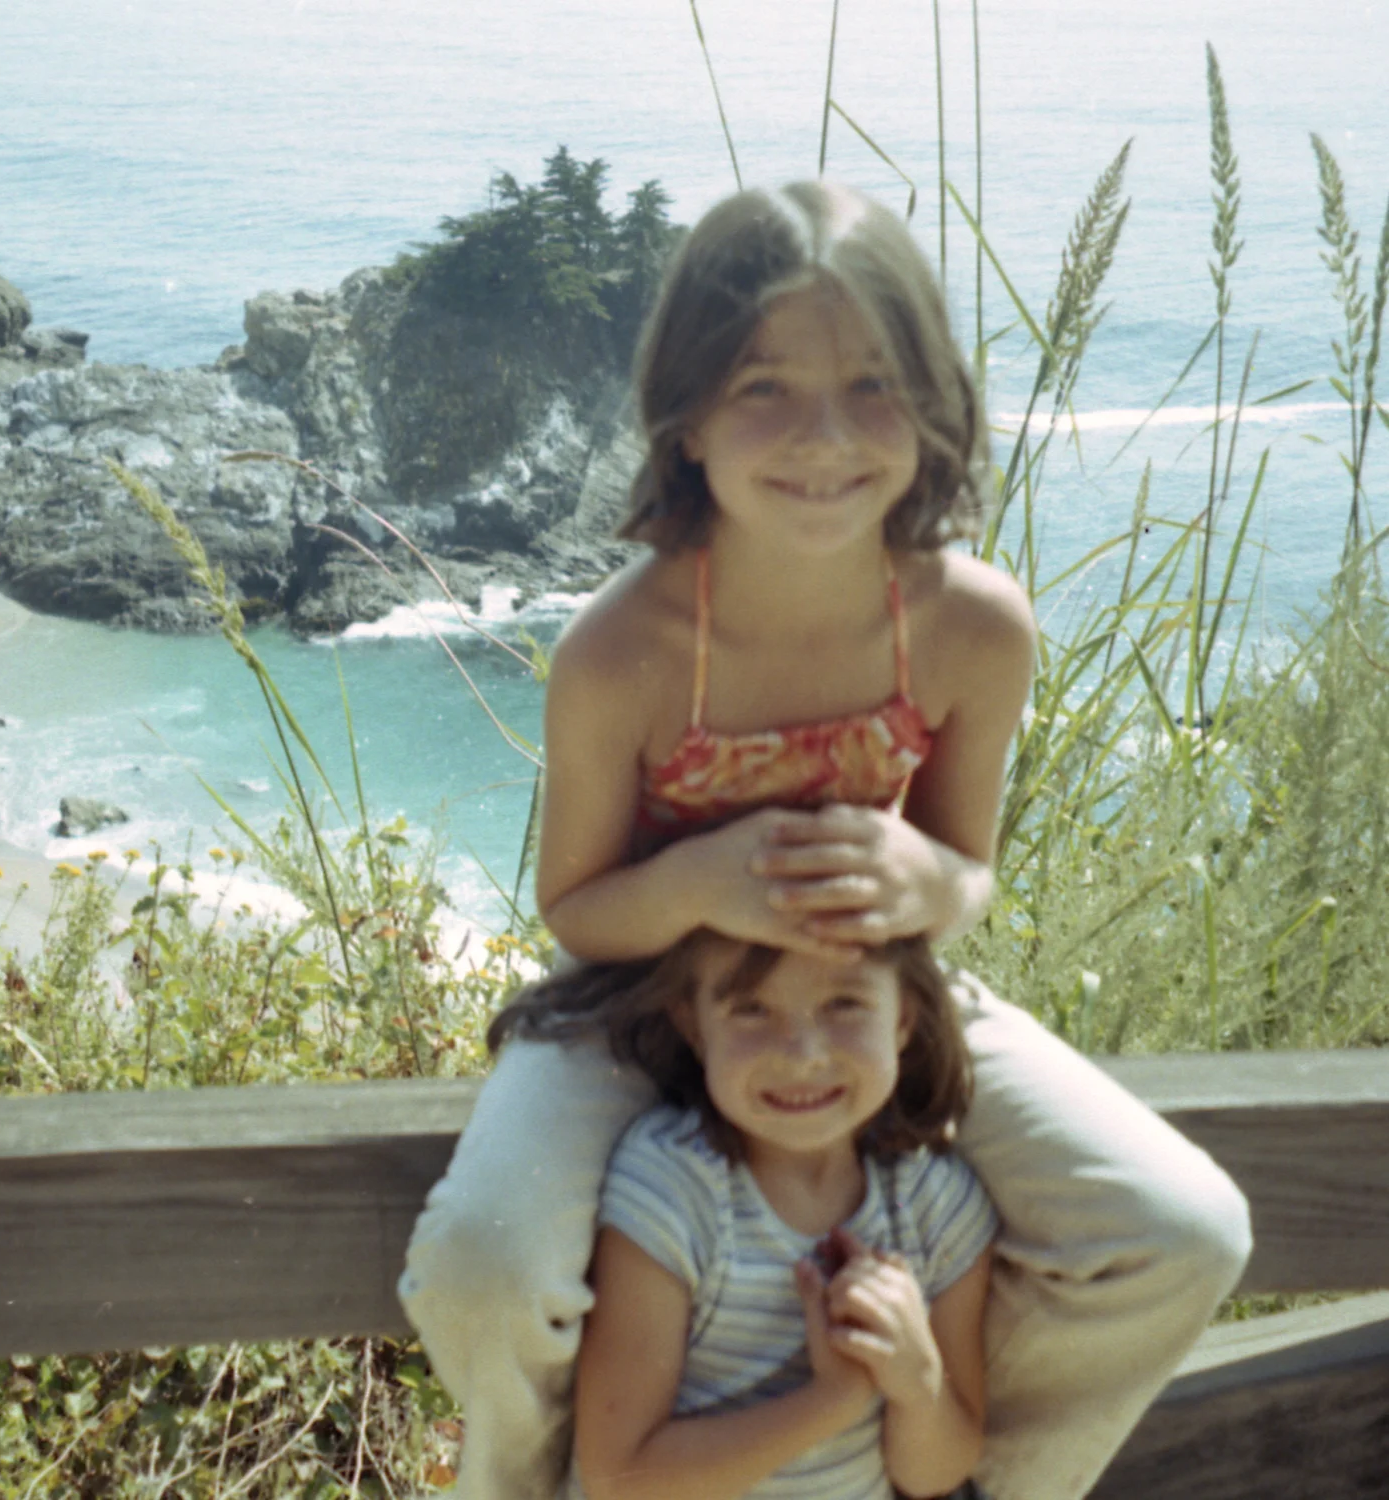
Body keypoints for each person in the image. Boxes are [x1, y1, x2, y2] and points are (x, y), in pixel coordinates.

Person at [398, 182, 1252, 1500]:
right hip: (636, 1005)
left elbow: (963, 873)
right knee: (487, 1262)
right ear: (684, 419)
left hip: (864, 999)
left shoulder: (974, 627)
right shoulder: (624, 649)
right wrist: (697, 883)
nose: (825, 438)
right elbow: (576, 909)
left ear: (933, 406)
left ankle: (949, 1468)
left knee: (1184, 1227)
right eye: (764, 390)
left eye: (872, 387)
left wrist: (933, 879)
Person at [492, 933, 996, 1500]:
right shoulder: (672, 1189)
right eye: (751, 1008)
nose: (803, 1053)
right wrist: (831, 1402)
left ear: (904, 1016)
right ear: (693, 1026)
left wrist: (918, 1381)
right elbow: (620, 1478)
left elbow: (935, 1475)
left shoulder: (937, 1207)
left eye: (844, 1005)